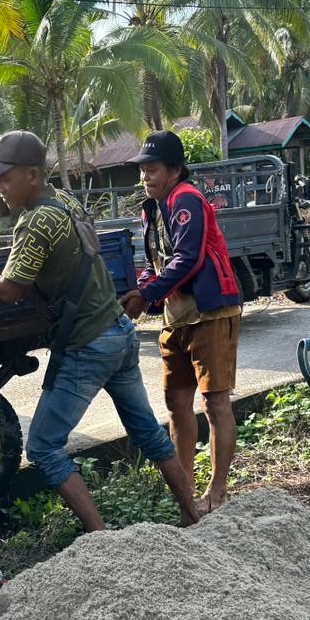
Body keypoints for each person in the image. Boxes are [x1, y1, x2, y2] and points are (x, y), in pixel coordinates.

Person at [0, 131, 199, 530]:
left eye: (6, 178)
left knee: (42, 446)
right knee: (147, 433)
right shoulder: (65, 203)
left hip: (89, 344)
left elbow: (8, 290)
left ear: (33, 176)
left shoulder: (37, 221)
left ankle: (100, 535)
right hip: (119, 332)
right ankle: (194, 517)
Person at [123, 131, 243, 515]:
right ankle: (185, 490)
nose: (146, 177)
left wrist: (147, 295)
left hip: (209, 313)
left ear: (174, 170)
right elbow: (157, 261)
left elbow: (187, 258)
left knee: (215, 403)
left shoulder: (186, 198)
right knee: (176, 403)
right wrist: (142, 287)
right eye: (142, 170)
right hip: (177, 317)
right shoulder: (152, 209)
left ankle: (218, 492)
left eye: (153, 169)